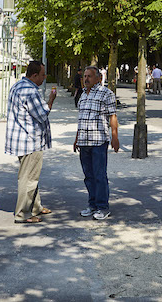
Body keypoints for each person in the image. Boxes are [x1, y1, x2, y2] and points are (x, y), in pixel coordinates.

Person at [5, 60, 57, 224]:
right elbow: (42, 114)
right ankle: (23, 213)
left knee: (31, 175)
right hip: (30, 140)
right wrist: (50, 101)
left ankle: (35, 207)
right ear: (34, 75)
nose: (44, 78)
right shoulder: (30, 91)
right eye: (42, 75)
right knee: (28, 178)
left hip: (21, 139)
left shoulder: (18, 86)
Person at [73, 66, 119, 220]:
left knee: (99, 175)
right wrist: (77, 138)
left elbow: (112, 116)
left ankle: (102, 207)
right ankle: (92, 205)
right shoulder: (83, 95)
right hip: (84, 142)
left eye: (89, 76)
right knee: (88, 176)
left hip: (98, 141)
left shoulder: (106, 94)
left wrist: (115, 136)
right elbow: (81, 119)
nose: (86, 79)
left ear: (98, 78)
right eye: (85, 76)